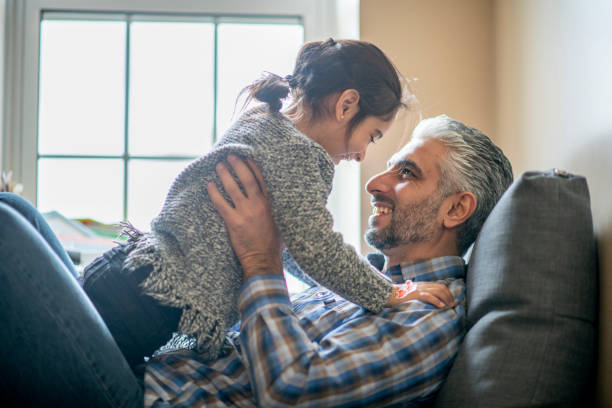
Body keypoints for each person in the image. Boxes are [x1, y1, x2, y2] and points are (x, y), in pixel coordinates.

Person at [81, 37, 416, 367]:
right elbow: (316, 247)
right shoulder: (301, 155)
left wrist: (339, 286)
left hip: (131, 277)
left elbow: (291, 248)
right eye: (370, 136)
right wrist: (390, 293)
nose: (360, 155)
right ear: (345, 105)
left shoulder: (264, 123)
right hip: (144, 304)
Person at [142, 114, 514, 407]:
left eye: (406, 173)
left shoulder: (432, 316)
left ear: (456, 209)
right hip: (158, 371)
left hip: (166, 397)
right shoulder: (370, 280)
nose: (375, 183)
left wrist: (259, 259)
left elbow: (292, 391)